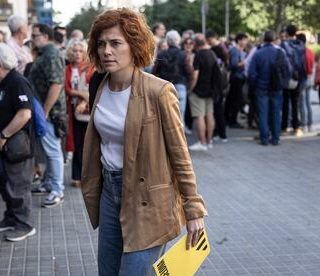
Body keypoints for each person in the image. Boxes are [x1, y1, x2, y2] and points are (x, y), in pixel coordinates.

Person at [82, 8, 207, 275]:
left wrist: (194, 209)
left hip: (148, 199)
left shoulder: (158, 91)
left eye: (116, 43)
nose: (107, 51)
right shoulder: (99, 84)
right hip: (110, 193)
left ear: (134, 45)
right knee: (107, 271)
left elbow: (180, 154)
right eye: (101, 44)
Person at [0, 43, 36, 241]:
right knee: (6, 186)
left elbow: (24, 114)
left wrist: (3, 135)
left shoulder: (17, 82)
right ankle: (11, 218)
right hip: (1, 149)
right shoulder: (2, 83)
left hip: (16, 148)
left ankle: (25, 224)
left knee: (18, 187)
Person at [29, 24, 67, 208]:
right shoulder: (45, 53)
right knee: (48, 150)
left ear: (45, 36)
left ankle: (57, 190)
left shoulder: (51, 54)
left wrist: (44, 112)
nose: (32, 38)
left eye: (35, 35)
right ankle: (48, 183)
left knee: (53, 152)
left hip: (50, 113)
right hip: (45, 111)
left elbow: (56, 85)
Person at [248, 30, 288, 145]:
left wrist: (256, 84)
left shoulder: (258, 53)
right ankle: (276, 138)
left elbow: (251, 73)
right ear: (274, 39)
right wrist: (283, 84)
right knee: (276, 113)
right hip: (276, 88)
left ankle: (264, 138)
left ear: (264, 39)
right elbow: (287, 70)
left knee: (263, 113)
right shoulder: (280, 52)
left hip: (261, 87)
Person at [65, 39, 95, 188]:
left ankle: (89, 177)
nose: (77, 54)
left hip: (88, 112)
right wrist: (81, 94)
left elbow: (94, 90)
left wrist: (84, 100)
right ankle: (76, 176)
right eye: (75, 51)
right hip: (73, 111)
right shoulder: (68, 68)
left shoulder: (90, 68)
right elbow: (67, 89)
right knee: (77, 144)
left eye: (80, 51)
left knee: (89, 145)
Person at [153, 30, 189, 126]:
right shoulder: (183, 54)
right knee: (180, 116)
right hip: (180, 85)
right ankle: (180, 138)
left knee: (166, 115)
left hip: (165, 86)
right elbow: (188, 71)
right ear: (178, 40)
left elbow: (155, 71)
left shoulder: (161, 55)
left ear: (167, 41)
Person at [188, 33, 216, 151]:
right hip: (211, 89)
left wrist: (191, 88)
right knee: (209, 115)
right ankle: (209, 141)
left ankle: (202, 142)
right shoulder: (212, 54)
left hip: (199, 90)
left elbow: (195, 75)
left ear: (195, 44)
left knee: (199, 116)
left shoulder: (198, 55)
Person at [280, 25, 306, 136]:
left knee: (285, 103)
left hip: (286, 77)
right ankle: (296, 127)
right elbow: (302, 61)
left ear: (286, 32)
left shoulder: (283, 44)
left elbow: (283, 61)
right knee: (295, 103)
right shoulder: (301, 45)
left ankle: (284, 127)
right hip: (298, 77)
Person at [226, 33, 248, 128]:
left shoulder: (238, 50)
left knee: (231, 99)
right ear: (239, 40)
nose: (246, 42)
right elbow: (234, 64)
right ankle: (232, 121)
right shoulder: (235, 50)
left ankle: (227, 118)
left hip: (237, 77)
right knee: (235, 100)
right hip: (236, 78)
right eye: (245, 40)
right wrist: (244, 63)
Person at [296, 33, 314, 133]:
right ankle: (310, 124)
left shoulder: (301, 51)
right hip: (310, 76)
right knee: (307, 102)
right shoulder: (310, 51)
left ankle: (303, 124)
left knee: (302, 102)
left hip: (304, 77)